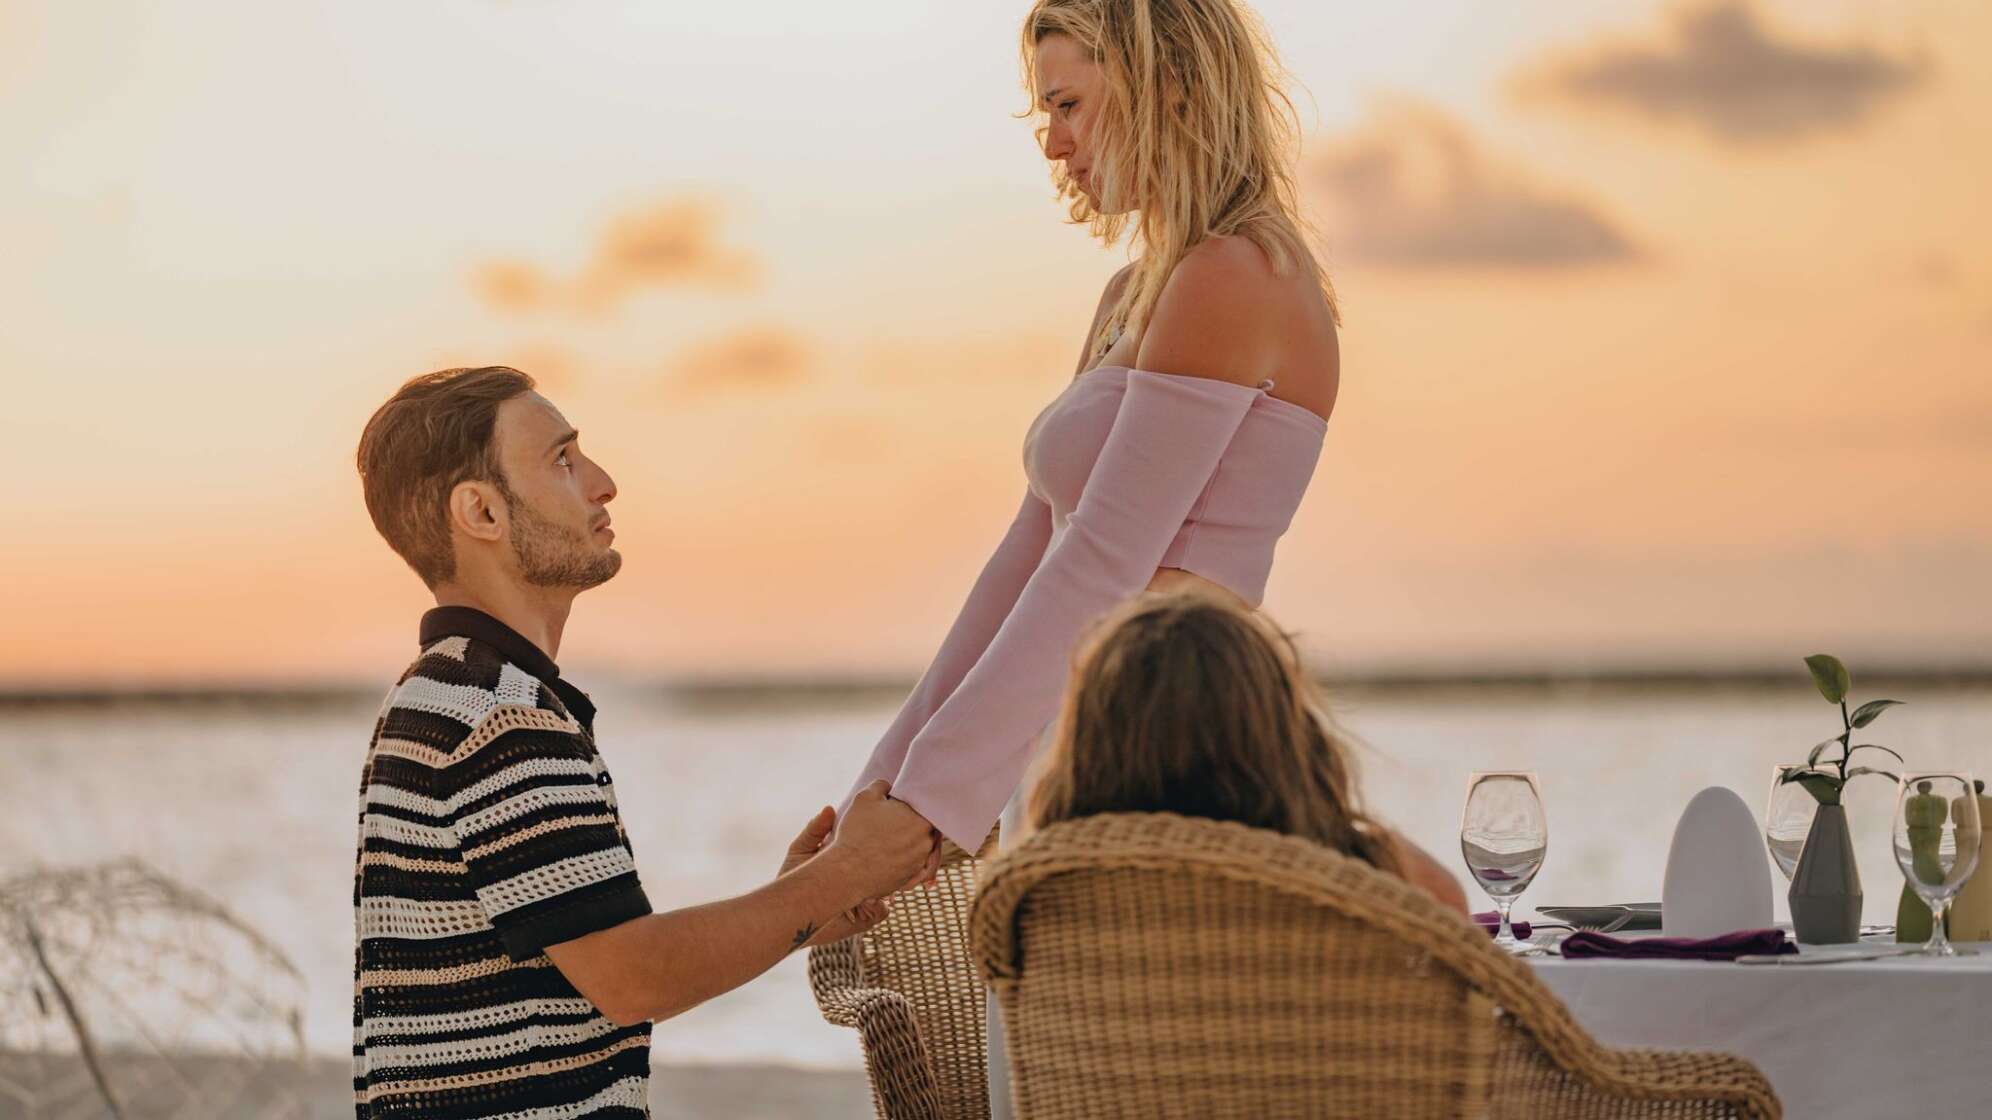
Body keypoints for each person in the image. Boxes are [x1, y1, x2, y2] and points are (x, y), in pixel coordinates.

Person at [837, 3, 1344, 1111]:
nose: (1051, 140)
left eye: (1068, 104)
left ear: (1166, 82)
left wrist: (928, 805)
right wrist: (882, 781)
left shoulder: (1236, 273)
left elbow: (1108, 560)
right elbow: (1027, 555)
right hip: (1073, 770)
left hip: (1173, 765)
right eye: (1045, 111)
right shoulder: (1136, 292)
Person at [350, 366, 937, 1118]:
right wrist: (845, 872)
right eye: (561, 458)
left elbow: (601, 953)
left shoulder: (449, 690)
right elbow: (633, 979)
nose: (602, 483)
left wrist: (795, 913)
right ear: (481, 512)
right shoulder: (499, 713)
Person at [1025, 590, 1469, 912]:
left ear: (1089, 746)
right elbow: (1461, 949)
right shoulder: (1365, 875)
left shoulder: (1040, 892)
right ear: (1282, 732)